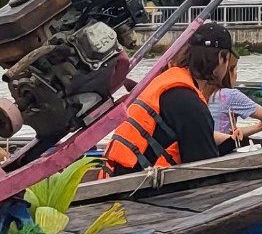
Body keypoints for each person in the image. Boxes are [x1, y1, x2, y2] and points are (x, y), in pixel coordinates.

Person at [100, 22, 237, 173]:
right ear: (221, 58)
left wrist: (229, 143)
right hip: (136, 189)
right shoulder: (191, 105)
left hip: (115, 177)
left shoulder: (166, 81)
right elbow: (203, 172)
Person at [208, 48, 262, 143]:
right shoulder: (230, 95)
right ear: (229, 72)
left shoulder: (204, 92)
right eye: (236, 69)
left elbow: (227, 133)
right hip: (220, 151)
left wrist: (260, 126)